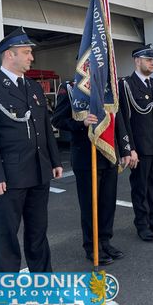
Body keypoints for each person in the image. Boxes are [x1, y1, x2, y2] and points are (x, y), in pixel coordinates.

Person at [0, 27, 63, 275]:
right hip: (9, 176)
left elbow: (44, 126)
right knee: (6, 236)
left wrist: (54, 160)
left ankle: (43, 280)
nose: (32, 57)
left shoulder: (33, 87)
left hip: (39, 171)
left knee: (38, 232)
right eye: (27, 52)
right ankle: (6, 288)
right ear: (10, 54)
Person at [52, 80, 132, 265]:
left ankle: (105, 241)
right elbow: (57, 120)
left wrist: (125, 149)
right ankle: (92, 246)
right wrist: (81, 123)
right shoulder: (71, 87)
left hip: (109, 154)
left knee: (108, 203)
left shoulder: (108, 87)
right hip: (85, 157)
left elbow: (117, 119)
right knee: (90, 206)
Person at [118, 44, 153, 241]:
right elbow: (124, 119)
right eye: (149, 60)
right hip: (140, 148)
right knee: (140, 188)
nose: (152, 63)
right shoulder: (126, 85)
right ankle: (142, 225)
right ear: (137, 61)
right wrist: (129, 148)